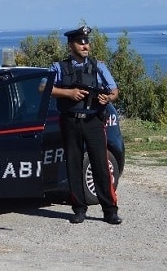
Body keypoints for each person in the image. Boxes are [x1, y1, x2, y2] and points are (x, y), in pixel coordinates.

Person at [49, 25, 122, 225]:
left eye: (86, 42)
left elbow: (114, 91)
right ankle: (79, 209)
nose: (85, 46)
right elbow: (43, 88)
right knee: (73, 165)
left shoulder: (98, 66)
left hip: (93, 121)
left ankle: (110, 210)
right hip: (71, 121)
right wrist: (68, 93)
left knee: (100, 165)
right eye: (80, 43)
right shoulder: (58, 67)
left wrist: (107, 98)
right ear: (70, 45)